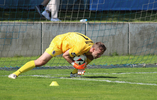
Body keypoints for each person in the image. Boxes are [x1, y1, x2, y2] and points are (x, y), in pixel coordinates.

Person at [8, 32, 106, 79]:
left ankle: (75, 75)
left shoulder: (91, 48)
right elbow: (65, 55)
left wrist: (80, 68)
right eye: (98, 54)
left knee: (87, 58)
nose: (99, 56)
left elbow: (88, 58)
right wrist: (74, 65)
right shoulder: (80, 47)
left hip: (70, 43)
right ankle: (15, 74)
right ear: (93, 49)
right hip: (59, 43)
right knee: (41, 62)